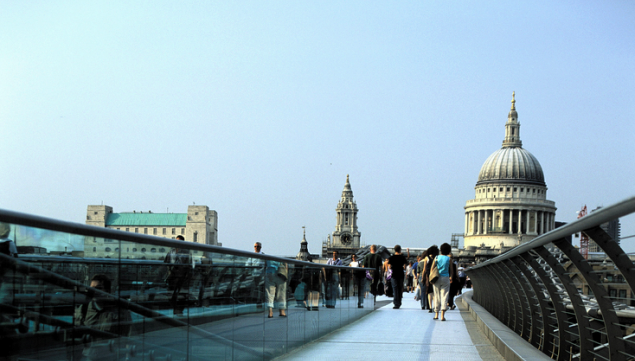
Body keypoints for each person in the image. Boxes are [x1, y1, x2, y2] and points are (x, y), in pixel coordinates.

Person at [74, 274, 132, 361]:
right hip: (90, 357)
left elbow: (128, 337)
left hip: (111, 357)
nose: (94, 291)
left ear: (107, 291)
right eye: (91, 288)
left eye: (98, 288)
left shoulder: (119, 310)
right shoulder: (83, 309)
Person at [164, 235, 192, 315]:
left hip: (181, 276)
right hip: (172, 275)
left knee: (180, 294)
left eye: (178, 241)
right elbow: (166, 262)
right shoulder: (171, 251)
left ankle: (179, 310)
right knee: (171, 293)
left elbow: (189, 265)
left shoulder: (186, 252)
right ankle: (175, 309)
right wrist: (168, 270)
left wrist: (186, 275)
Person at [431, 243, 452, 321]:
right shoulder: (449, 259)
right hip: (445, 278)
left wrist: (431, 277)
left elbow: (432, 268)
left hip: (437, 278)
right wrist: (451, 277)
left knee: (436, 295)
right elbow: (451, 270)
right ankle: (442, 315)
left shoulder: (436, 258)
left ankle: (436, 314)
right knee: (444, 295)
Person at [423, 245, 439, 313]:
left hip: (428, 276)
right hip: (435, 276)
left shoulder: (427, 258)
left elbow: (424, 269)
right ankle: (435, 306)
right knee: (435, 292)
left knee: (429, 292)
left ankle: (430, 307)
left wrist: (423, 277)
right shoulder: (437, 258)